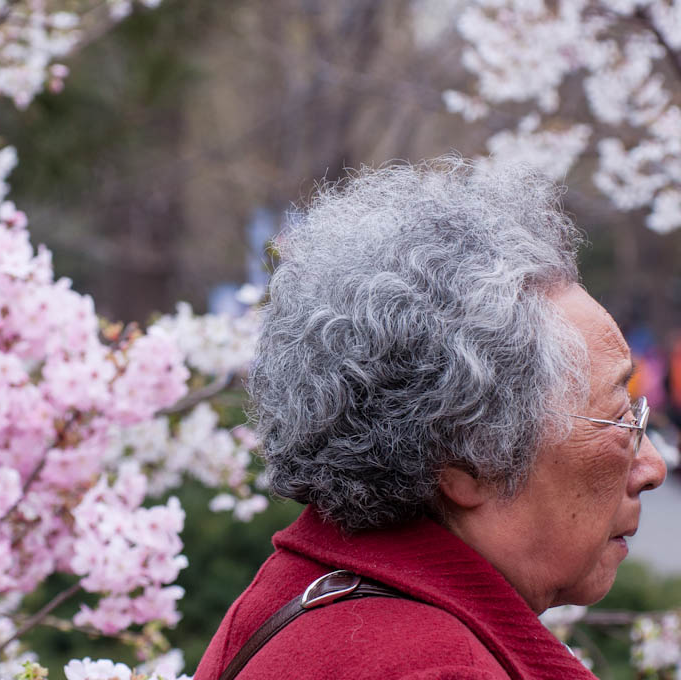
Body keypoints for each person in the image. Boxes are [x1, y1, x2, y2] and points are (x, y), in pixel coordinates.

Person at [193, 158, 667, 680]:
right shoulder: (434, 667)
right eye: (621, 419)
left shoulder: (302, 588)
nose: (652, 467)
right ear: (471, 461)